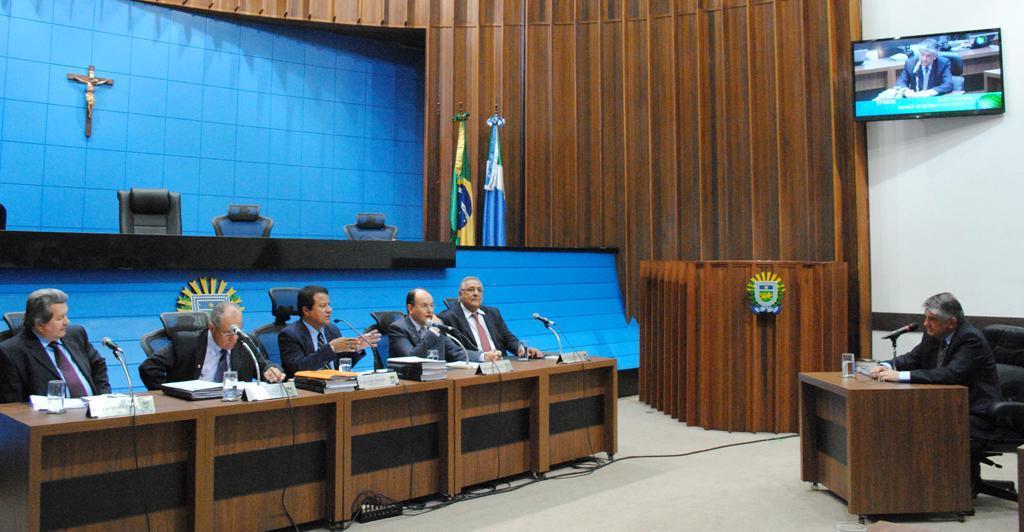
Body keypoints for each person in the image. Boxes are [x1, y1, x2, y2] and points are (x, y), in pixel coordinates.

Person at [870, 292, 1014, 487]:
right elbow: (913, 358)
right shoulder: (935, 333)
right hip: (950, 407)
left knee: (922, 425)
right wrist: (885, 365)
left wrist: (902, 376)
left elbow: (950, 375)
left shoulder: (970, 339)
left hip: (978, 413)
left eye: (932, 319)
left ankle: (945, 491)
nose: (926, 324)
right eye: (925, 318)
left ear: (952, 322)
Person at [139, 301, 284, 390]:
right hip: (193, 408)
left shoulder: (244, 342)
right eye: (227, 333)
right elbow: (149, 368)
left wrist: (272, 370)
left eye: (237, 331)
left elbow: (263, 365)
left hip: (231, 407)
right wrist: (168, 393)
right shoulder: (187, 343)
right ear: (211, 328)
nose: (233, 338)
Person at [0, 288, 111, 402]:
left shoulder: (76, 334)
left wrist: (103, 398)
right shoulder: (11, 353)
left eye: (66, 315)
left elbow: (98, 365)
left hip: (94, 413)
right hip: (49, 417)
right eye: (59, 318)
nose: (66, 322)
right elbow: (12, 405)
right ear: (39, 324)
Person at [278, 285, 380, 375]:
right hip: (308, 389)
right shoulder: (289, 334)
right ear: (306, 310)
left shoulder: (332, 330)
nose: (329, 309)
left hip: (334, 387)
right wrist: (331, 349)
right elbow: (297, 368)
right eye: (323, 306)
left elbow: (341, 366)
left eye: (329, 304)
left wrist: (356, 348)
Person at [438, 276, 543, 361]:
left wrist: (521, 348)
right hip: (474, 368)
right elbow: (452, 352)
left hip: (501, 363)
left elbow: (508, 339)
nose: (476, 293)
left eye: (479, 290)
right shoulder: (447, 318)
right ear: (460, 294)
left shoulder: (492, 313)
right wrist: (483, 357)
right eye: (471, 290)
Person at [388, 288, 470, 362]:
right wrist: (433, 332)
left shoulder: (435, 326)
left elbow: (456, 352)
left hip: (437, 375)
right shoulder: (398, 328)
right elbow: (411, 359)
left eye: (431, 305)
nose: (430, 310)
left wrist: (482, 356)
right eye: (424, 306)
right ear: (410, 308)